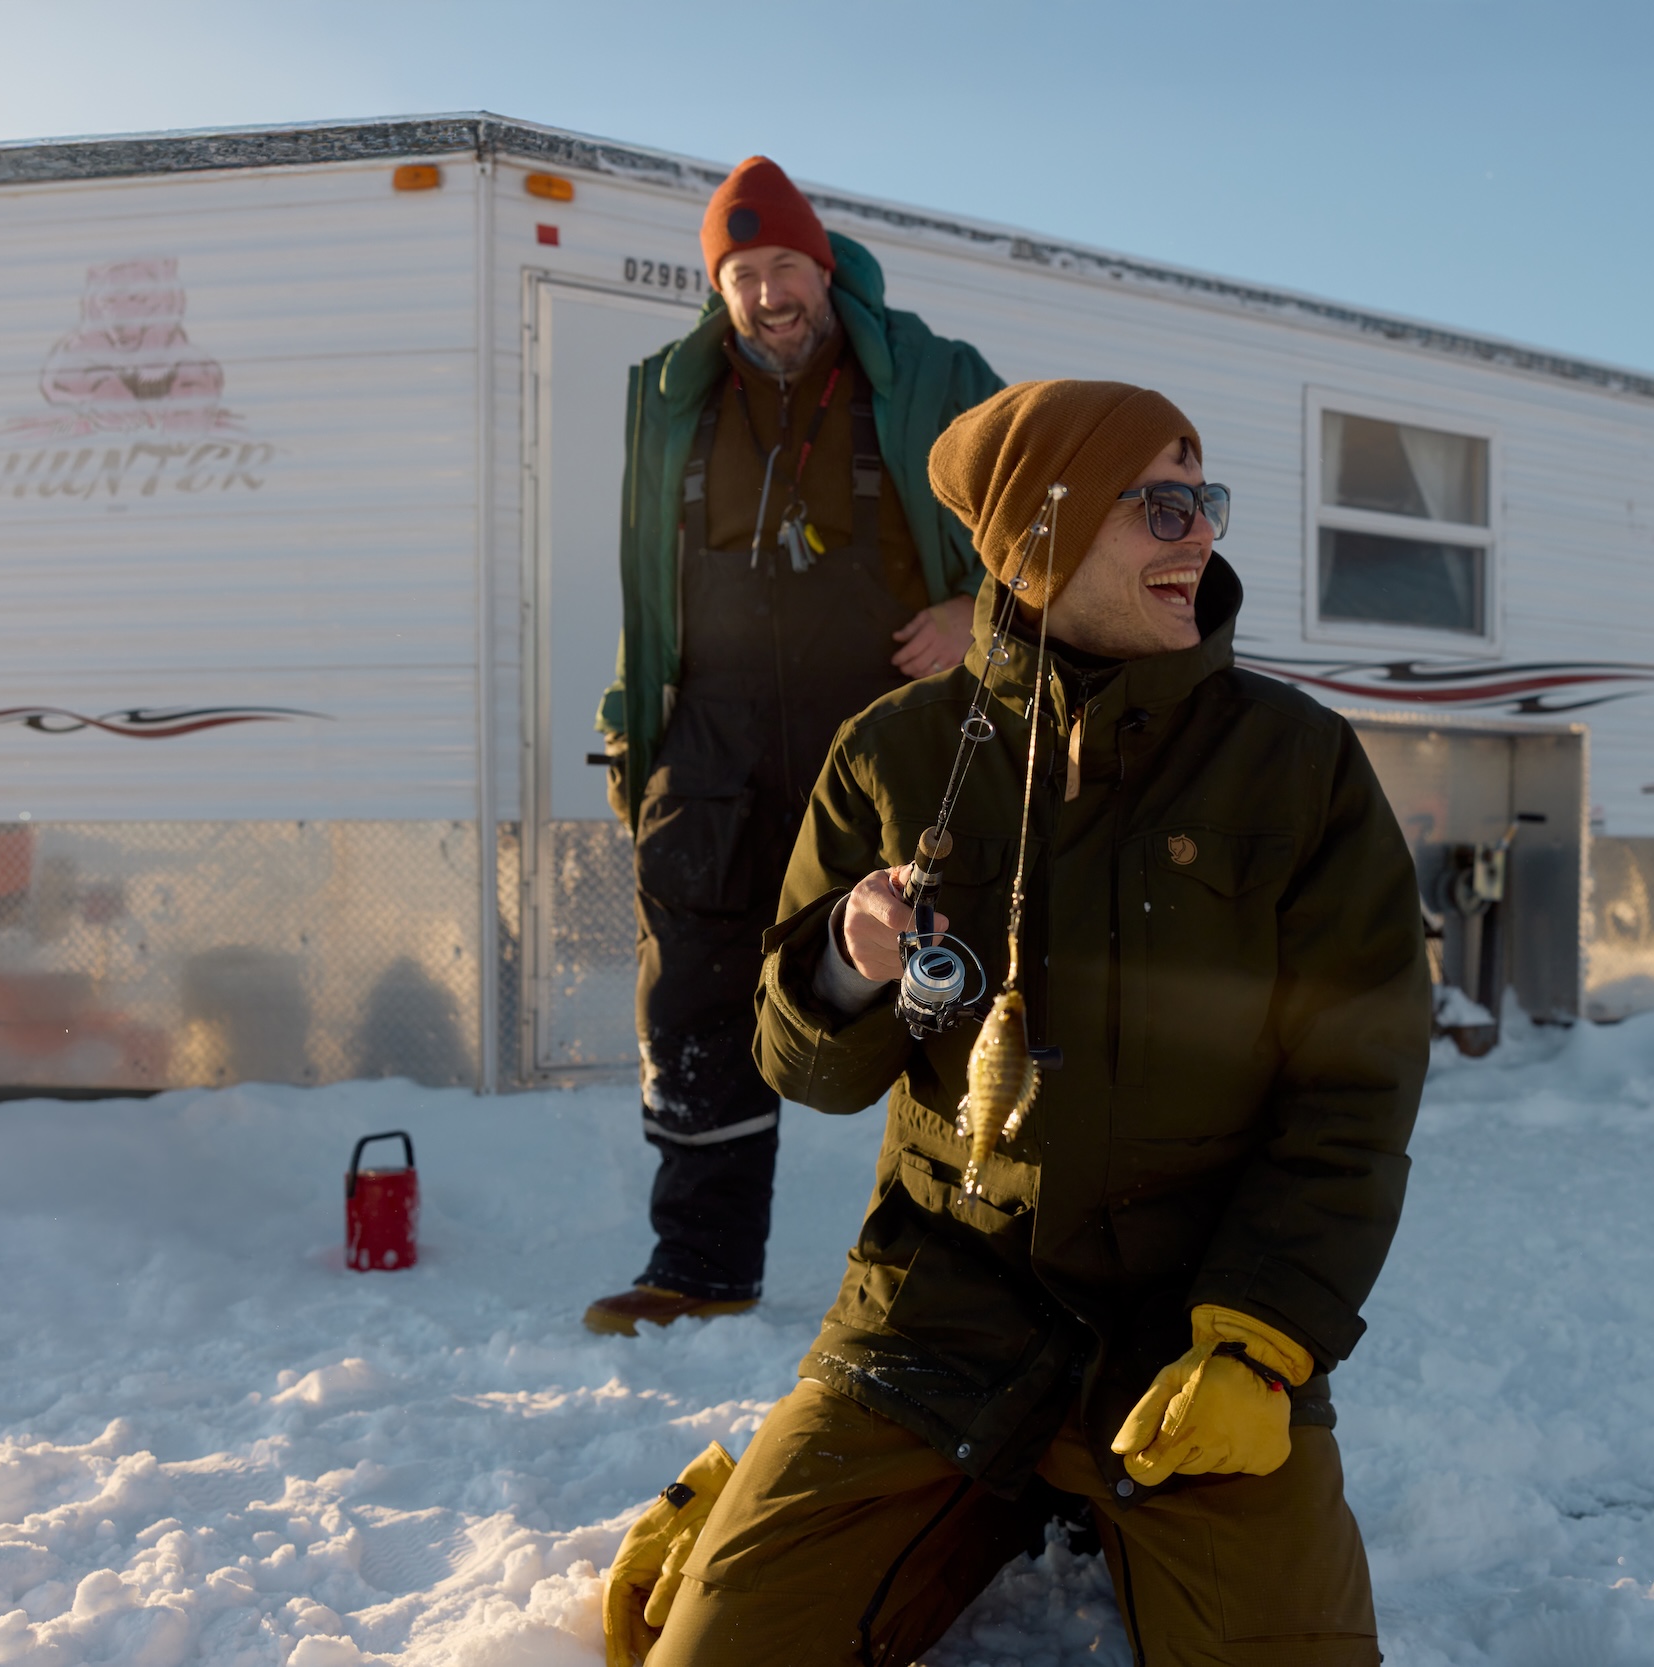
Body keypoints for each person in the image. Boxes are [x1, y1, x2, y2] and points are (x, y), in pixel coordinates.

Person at [619, 380, 1431, 1663]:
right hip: (937, 1318)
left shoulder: (1299, 762)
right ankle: (862, 1502)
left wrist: (1263, 1343)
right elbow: (801, 1065)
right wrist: (845, 959)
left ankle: (1080, 1489)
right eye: (1162, 501)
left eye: (1205, 500)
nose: (1201, 534)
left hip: (1190, 1336)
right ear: (1038, 528)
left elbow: (1356, 1087)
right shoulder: (891, 752)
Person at [586, 157, 1004, 1335]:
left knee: (941, 983)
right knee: (697, 1003)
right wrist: (638, 725)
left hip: (883, 730)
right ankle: (700, 1269)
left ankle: (970, 1273)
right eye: (742, 272)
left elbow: (1041, 514)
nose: (769, 293)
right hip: (710, 735)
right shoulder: (673, 395)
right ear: (716, 286)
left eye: (786, 268)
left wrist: (978, 611)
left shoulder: (928, 374)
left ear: (825, 270)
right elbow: (645, 587)